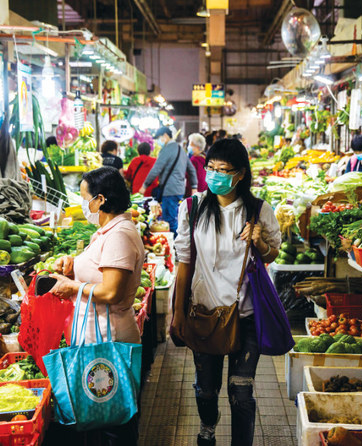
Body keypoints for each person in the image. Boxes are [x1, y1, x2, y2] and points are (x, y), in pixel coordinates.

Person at [174, 138, 281, 446]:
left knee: (241, 391)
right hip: (204, 312)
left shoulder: (259, 210)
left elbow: (271, 254)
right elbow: (184, 263)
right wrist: (179, 313)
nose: (215, 175)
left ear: (240, 174)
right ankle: (208, 426)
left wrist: (259, 242)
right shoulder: (192, 209)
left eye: (224, 169)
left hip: (246, 315)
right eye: (211, 168)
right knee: (206, 389)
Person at [48, 166, 144, 445]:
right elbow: (97, 272)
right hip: (97, 337)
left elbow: (112, 291)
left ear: (100, 200)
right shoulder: (106, 232)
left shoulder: (119, 235)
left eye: (84, 197)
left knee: (114, 419)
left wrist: (72, 287)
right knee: (102, 415)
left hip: (110, 337)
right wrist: (72, 265)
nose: (82, 204)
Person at [140, 126, 198, 234]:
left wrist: (144, 186)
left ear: (165, 136)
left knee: (169, 221)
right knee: (173, 218)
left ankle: (175, 246)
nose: (158, 142)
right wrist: (194, 186)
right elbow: (191, 170)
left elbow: (156, 169)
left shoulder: (166, 150)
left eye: (159, 138)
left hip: (170, 190)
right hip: (179, 190)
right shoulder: (181, 149)